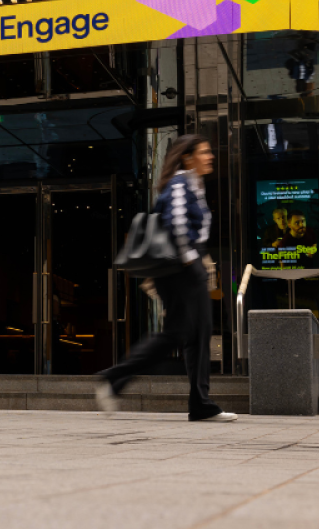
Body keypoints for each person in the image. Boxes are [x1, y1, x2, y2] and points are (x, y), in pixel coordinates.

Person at [96, 135, 237, 422]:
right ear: (187, 157)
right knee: (182, 333)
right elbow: (176, 223)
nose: (210, 156)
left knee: (195, 334)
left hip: (186, 266)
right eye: (205, 152)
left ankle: (200, 404)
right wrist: (191, 261)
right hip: (181, 268)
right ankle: (115, 377)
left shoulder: (194, 185)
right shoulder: (180, 183)